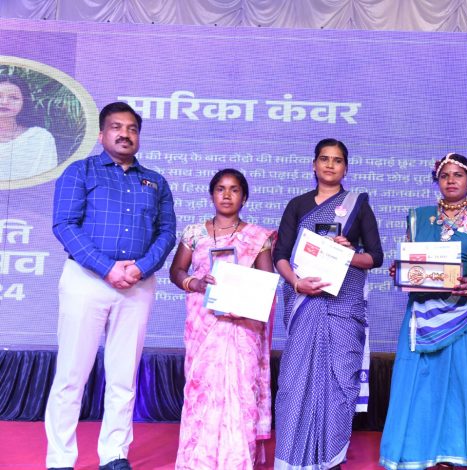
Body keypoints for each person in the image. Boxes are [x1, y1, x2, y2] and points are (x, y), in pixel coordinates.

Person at [45, 102, 176, 470]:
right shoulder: (80, 171)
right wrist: (106, 269)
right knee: (71, 375)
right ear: (102, 134)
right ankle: (60, 459)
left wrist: (141, 268)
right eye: (117, 127)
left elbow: (167, 232)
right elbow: (64, 225)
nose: (125, 134)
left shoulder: (155, 181)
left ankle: (114, 454)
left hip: (136, 284)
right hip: (86, 281)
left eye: (132, 128)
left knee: (123, 377)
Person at [379, 153, 467, 469]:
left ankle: (460, 451)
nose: (451, 181)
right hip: (423, 312)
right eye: (444, 175)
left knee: (464, 383)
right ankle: (421, 452)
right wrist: (400, 270)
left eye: (458, 175)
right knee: (423, 383)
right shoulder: (419, 218)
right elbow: (410, 262)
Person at [273, 138, 384, 469]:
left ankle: (332, 459)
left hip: (342, 309)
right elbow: (281, 255)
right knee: (295, 382)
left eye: (337, 160)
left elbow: (375, 257)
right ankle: (293, 461)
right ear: (314, 164)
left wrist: (347, 253)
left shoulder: (358, 205)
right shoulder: (297, 205)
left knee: (340, 383)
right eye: (324, 159)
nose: (330, 165)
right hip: (305, 303)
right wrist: (297, 283)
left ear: (345, 168)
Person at [169, 169, 275, 469]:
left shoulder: (258, 237)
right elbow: (176, 271)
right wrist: (196, 283)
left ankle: (236, 460)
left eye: (234, 189)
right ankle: (198, 461)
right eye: (220, 188)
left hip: (243, 328)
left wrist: (243, 303)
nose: (227, 195)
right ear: (211, 194)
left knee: (240, 394)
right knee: (202, 391)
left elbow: (267, 282)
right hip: (204, 326)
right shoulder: (194, 233)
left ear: (244, 197)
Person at [0, 74, 57, 180]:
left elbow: (45, 181)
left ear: (24, 102)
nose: (4, 102)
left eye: (13, 98)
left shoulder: (40, 138)